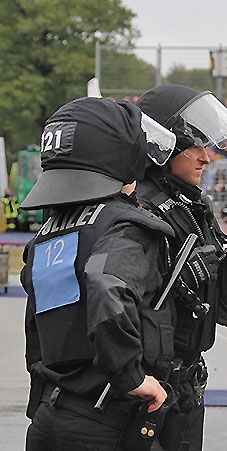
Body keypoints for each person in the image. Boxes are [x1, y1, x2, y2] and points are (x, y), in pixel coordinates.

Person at [21, 97, 177, 450]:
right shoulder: (123, 226)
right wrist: (132, 377)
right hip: (104, 417)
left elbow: (37, 322)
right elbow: (108, 287)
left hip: (50, 412)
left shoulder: (50, 231)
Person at [135, 84, 227, 451]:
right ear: (163, 148)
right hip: (150, 386)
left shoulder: (190, 204)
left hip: (185, 379)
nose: (206, 157)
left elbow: (217, 310)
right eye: (194, 147)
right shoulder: (141, 209)